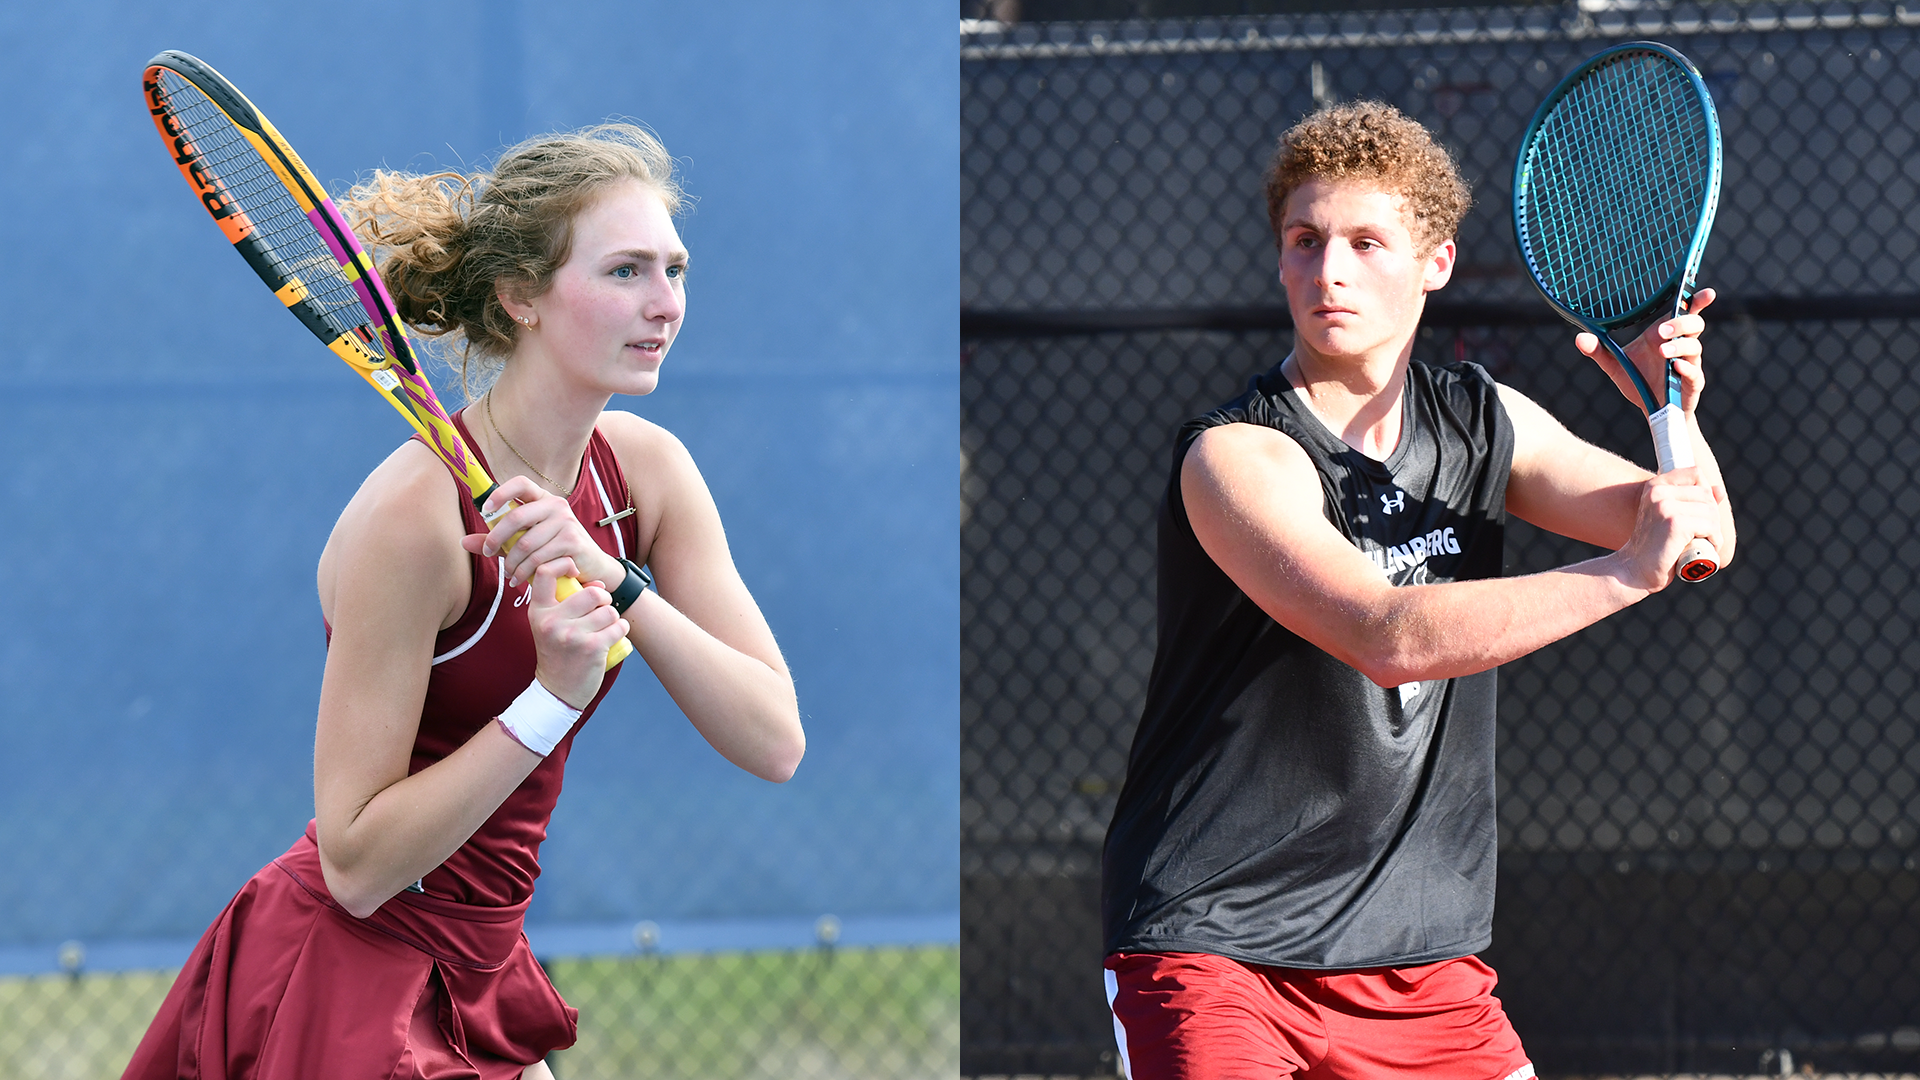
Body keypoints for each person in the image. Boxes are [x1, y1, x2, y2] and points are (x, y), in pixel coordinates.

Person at [123, 124, 805, 1080]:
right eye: (624, 272)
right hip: (349, 974)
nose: (665, 305)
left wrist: (616, 580)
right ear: (521, 296)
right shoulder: (413, 520)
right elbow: (356, 867)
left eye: (675, 269)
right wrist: (549, 701)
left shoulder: (645, 476)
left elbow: (773, 740)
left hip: (485, 963)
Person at [1099, 101, 1735, 1079]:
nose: (1329, 272)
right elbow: (1385, 633)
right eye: (1304, 241)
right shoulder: (1236, 456)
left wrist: (1669, 411)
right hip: (1218, 950)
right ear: (1279, 259)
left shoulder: (1483, 420)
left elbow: (1700, 537)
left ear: (1436, 261)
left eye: (1365, 241)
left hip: (1422, 964)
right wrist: (1620, 575)